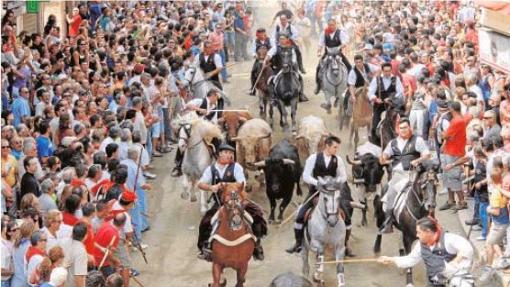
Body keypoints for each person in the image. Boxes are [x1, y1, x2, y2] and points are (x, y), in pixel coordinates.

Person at [196, 144, 266, 261]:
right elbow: (200, 183)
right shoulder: (211, 169)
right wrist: (211, 187)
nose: (230, 155)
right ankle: (205, 247)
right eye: (227, 152)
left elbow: (241, 182)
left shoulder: (236, 167)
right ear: (219, 154)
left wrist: (226, 186)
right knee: (206, 221)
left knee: (256, 214)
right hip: (220, 201)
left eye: (231, 153)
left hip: (235, 198)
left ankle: (257, 244)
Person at [286, 135, 347, 254]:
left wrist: (334, 183)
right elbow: (306, 176)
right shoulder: (313, 158)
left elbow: (343, 176)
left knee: (347, 216)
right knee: (300, 215)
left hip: (332, 194)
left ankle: (345, 244)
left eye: (337, 148)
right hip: (315, 193)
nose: (336, 150)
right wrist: (317, 183)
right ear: (327, 146)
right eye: (334, 147)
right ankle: (298, 243)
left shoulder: (338, 160)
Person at [378, 217, 474, 287]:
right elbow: (411, 259)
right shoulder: (420, 245)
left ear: (428, 231)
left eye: (419, 232)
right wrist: (390, 259)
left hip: (453, 280)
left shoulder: (448, 239)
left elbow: (467, 248)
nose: (417, 235)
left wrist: (455, 262)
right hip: (434, 283)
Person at [378, 118, 431, 233]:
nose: (403, 130)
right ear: (397, 130)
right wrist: (383, 158)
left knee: (428, 191)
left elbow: (427, 154)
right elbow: (385, 156)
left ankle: (432, 219)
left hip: (414, 173)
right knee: (390, 192)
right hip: (398, 175)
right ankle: (388, 222)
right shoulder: (393, 143)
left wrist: (418, 160)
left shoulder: (417, 140)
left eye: (405, 127)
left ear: (409, 128)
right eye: (401, 128)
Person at [440, 101, 470, 210]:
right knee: (448, 177)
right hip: (450, 150)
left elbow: (445, 135)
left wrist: (444, 135)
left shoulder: (457, 121)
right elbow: (447, 136)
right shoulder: (456, 119)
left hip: (454, 152)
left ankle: (462, 202)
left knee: (454, 178)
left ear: (452, 108)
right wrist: (446, 138)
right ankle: (451, 200)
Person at [264, 33, 308, 104]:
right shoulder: (276, 47)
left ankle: (301, 94)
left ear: (287, 39)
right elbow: (270, 54)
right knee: (270, 80)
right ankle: (273, 98)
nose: (281, 40)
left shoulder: (291, 48)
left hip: (290, 68)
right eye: (280, 39)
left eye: (283, 39)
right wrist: (266, 59)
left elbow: (294, 59)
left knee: (299, 77)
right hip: (279, 68)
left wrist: (290, 65)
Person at [367, 62, 405, 144]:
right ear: (382, 71)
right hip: (379, 105)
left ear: (391, 70)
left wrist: (391, 98)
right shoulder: (376, 79)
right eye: (385, 71)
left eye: (389, 71)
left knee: (403, 120)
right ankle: (374, 142)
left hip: (392, 105)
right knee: (375, 123)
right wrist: (375, 98)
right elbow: (370, 92)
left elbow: (400, 92)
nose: (387, 73)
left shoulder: (396, 79)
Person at [314, 18, 352, 95]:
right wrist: (319, 51)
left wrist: (342, 45)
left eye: (333, 25)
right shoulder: (324, 33)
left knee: (349, 67)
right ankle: (318, 85)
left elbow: (346, 40)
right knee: (318, 67)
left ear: (335, 25)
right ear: (328, 25)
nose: (331, 26)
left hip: (338, 53)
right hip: (328, 53)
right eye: (330, 25)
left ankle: (349, 85)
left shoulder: (340, 32)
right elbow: (320, 44)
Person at [57, 223, 88, 287]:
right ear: (85, 236)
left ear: (72, 233)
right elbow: (79, 277)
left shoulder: (61, 242)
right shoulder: (81, 251)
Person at [249, 28, 273, 96]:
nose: (262, 35)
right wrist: (255, 55)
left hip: (269, 59)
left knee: (276, 69)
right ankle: (253, 88)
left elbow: (273, 48)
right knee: (253, 71)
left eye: (263, 33)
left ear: (265, 33)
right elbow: (252, 50)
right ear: (258, 35)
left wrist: (269, 55)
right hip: (259, 60)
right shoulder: (255, 41)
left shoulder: (270, 40)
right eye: (260, 34)